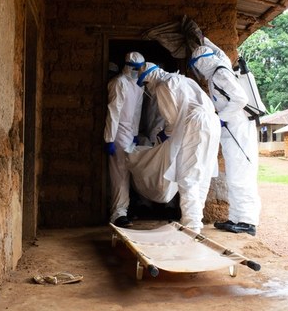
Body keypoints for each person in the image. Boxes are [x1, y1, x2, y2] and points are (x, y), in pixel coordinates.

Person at [136, 62, 221, 233]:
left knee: (187, 175)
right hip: (212, 122)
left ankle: (192, 225)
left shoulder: (163, 85)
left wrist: (164, 135)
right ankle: (196, 219)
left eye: (145, 82)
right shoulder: (182, 79)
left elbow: (172, 119)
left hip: (195, 124)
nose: (147, 87)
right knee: (202, 173)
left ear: (149, 78)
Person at [189, 38, 262, 236]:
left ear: (202, 63)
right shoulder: (219, 65)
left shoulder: (220, 73)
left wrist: (220, 118)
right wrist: (202, 39)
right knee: (234, 175)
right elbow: (218, 50)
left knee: (241, 175)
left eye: (197, 66)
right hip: (232, 129)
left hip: (238, 129)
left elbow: (240, 98)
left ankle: (247, 221)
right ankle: (236, 218)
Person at [104, 52, 145, 228]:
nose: (137, 72)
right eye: (134, 68)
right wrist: (109, 138)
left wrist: (135, 132)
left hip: (130, 133)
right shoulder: (118, 83)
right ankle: (118, 214)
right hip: (118, 131)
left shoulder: (138, 85)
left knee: (129, 172)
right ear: (127, 66)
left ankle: (127, 208)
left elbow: (137, 110)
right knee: (119, 174)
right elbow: (113, 111)